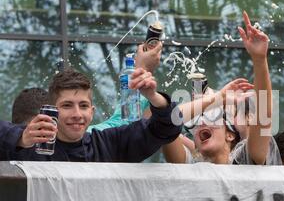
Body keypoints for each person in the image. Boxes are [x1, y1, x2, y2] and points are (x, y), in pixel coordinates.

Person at [162, 11, 282, 165]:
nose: (201, 123)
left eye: (213, 116)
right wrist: (217, 99)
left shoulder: (244, 161)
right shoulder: (189, 164)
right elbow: (165, 123)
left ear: (230, 135)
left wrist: (259, 59)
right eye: (198, 120)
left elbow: (263, 115)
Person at [0, 67, 182, 162]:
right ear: (52, 111)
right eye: (67, 105)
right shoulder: (31, 147)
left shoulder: (109, 143)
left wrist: (153, 96)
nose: (77, 114)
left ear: (92, 111)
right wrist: (20, 138)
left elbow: (167, 128)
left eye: (83, 105)